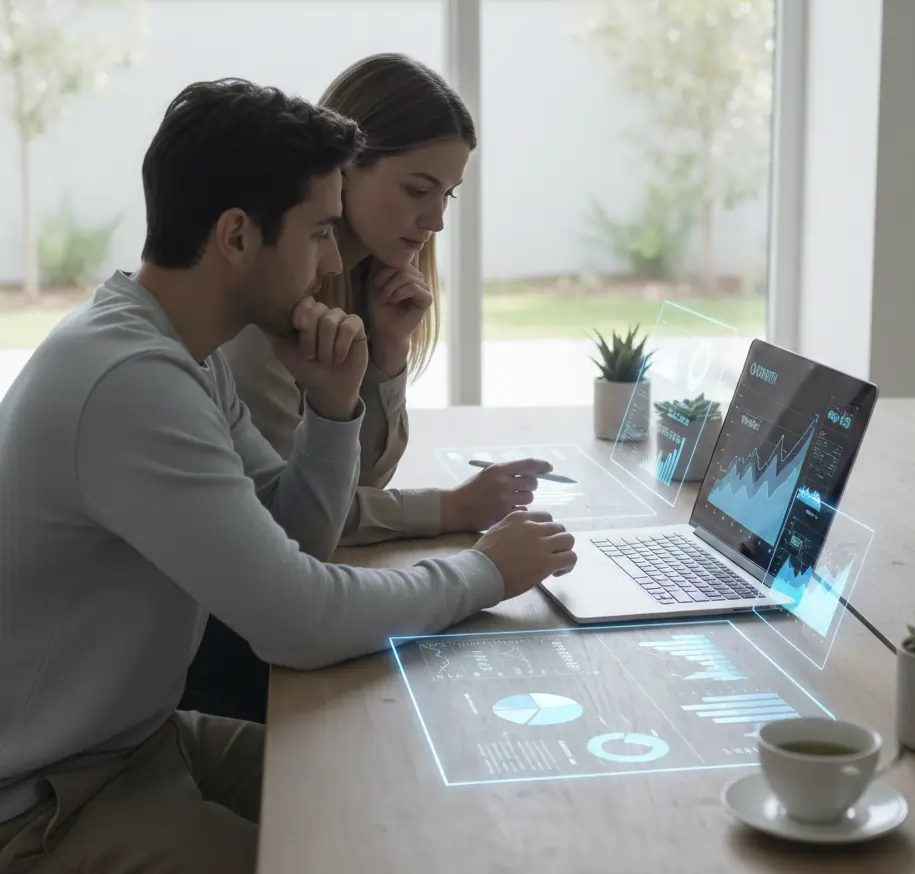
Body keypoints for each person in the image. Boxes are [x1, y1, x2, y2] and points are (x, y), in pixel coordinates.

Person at [0, 78, 576, 873]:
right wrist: (483, 570)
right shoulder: (130, 380)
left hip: (137, 745)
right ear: (237, 236)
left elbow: (296, 537)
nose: (334, 261)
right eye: (318, 232)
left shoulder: (184, 353)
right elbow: (299, 621)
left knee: (409, 795)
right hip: (44, 805)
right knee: (360, 851)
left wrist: (334, 410)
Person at [180, 53, 551, 724]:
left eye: (448, 194)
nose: (436, 218)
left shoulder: (357, 291)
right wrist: (450, 515)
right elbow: (287, 529)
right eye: (417, 189)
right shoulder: (264, 313)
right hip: (226, 658)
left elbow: (352, 481)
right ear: (341, 169)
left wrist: (386, 356)